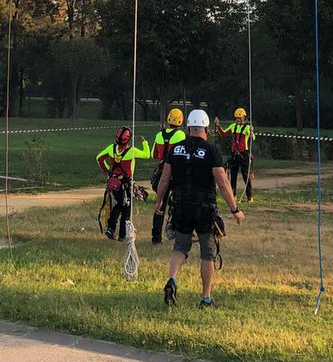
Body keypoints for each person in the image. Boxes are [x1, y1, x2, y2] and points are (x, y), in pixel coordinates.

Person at [154, 109, 244, 309]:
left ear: (188, 128)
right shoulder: (211, 151)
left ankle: (172, 280)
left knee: (180, 247)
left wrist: (158, 202)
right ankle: (206, 298)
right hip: (204, 208)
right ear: (207, 128)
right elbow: (222, 182)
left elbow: (164, 178)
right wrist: (234, 209)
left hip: (180, 206)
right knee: (207, 253)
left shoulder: (175, 149)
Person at [96, 126, 151, 241]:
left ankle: (111, 228)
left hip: (113, 182)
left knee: (118, 205)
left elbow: (99, 158)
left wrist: (107, 170)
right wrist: (144, 142)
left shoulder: (111, 148)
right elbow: (147, 154)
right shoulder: (131, 151)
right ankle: (122, 234)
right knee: (126, 208)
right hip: (125, 183)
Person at [150, 108, 186, 245]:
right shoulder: (181, 135)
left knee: (160, 204)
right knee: (177, 202)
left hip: (162, 171)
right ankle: (175, 230)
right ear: (181, 120)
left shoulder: (159, 135)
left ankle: (156, 237)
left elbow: (155, 154)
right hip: (176, 172)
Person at [216, 107, 255, 201]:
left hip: (244, 154)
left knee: (245, 175)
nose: (237, 119)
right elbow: (224, 134)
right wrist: (218, 126)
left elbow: (252, 138)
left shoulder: (247, 127)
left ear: (244, 117)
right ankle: (233, 194)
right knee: (233, 174)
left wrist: (251, 132)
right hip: (234, 153)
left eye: (239, 118)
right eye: (236, 118)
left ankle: (249, 196)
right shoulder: (233, 126)